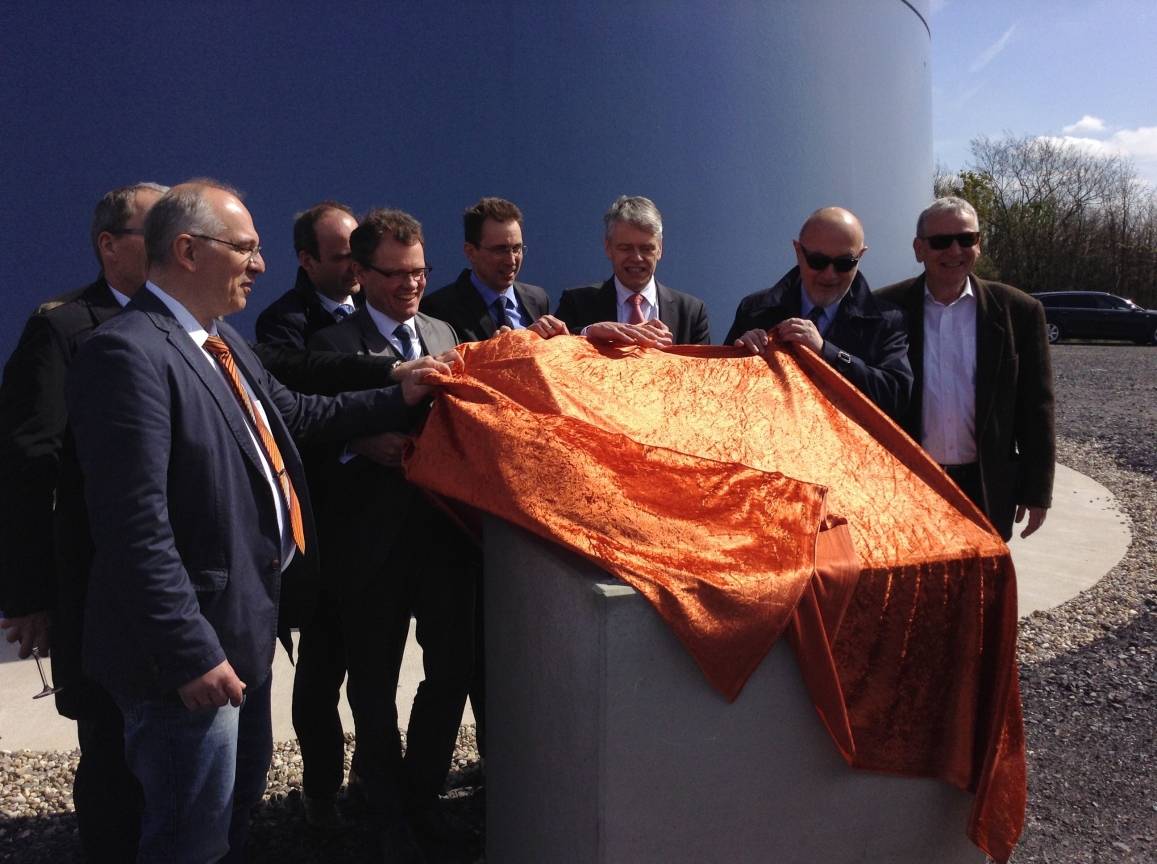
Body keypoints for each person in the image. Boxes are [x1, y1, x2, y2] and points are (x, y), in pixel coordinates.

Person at [64, 181, 446, 864]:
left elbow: (296, 414)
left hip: (243, 629)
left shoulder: (223, 343)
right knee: (186, 837)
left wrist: (399, 391)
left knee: (232, 814)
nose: (261, 265)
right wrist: (190, 651)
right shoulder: (126, 354)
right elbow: (134, 528)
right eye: (245, 248)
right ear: (188, 251)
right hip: (189, 656)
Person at [0, 181, 167, 861]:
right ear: (109, 245)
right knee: (113, 749)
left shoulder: (186, 325)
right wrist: (29, 595)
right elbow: (27, 462)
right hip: (98, 583)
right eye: (157, 234)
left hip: (177, 582)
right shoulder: (64, 327)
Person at [310, 209, 476, 863]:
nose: (411, 285)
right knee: (373, 685)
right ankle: (385, 816)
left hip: (443, 537)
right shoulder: (330, 346)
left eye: (420, 272)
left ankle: (422, 798)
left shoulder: (442, 331)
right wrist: (356, 442)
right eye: (396, 274)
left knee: (452, 670)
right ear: (360, 272)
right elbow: (304, 430)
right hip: (369, 546)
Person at [878, 197, 1055, 540]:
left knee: (980, 575)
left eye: (966, 239)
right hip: (907, 482)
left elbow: (1037, 408)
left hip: (986, 487)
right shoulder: (884, 308)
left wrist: (1036, 490)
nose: (954, 250)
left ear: (979, 244)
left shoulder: (1020, 311)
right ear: (919, 249)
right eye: (941, 241)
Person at [726, 206, 912, 421]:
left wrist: (827, 353)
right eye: (818, 261)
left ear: (860, 256)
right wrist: (740, 356)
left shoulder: (888, 320)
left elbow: (896, 398)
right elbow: (720, 393)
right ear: (798, 251)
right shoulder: (754, 309)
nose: (829, 274)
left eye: (844, 263)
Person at [539, 195, 709, 347]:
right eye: (625, 248)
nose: (637, 258)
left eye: (646, 248)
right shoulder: (576, 302)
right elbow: (552, 353)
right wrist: (589, 332)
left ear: (660, 249)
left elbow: (703, 370)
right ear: (608, 248)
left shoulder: (691, 313)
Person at [421, 196, 549, 340]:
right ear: (471, 252)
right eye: (500, 250)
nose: (511, 260)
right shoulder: (439, 310)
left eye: (516, 249)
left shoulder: (537, 299)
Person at [256, 201, 362, 347]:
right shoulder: (281, 323)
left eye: (360, 253)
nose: (356, 265)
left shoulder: (381, 301)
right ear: (308, 261)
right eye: (342, 257)